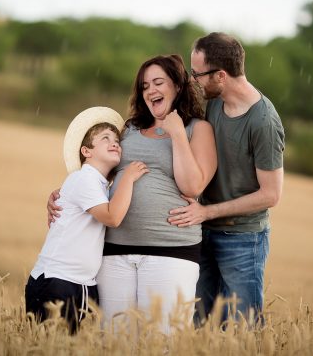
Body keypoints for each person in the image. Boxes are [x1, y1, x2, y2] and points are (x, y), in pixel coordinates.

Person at [49, 54, 217, 332]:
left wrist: (176, 133)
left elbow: (192, 186)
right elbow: (98, 175)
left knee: (163, 342)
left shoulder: (198, 129)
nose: (150, 90)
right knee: (116, 341)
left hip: (171, 250)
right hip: (115, 250)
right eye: (144, 85)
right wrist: (64, 192)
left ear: (177, 86)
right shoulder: (129, 130)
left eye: (158, 82)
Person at [167, 32, 285, 325]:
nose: (193, 80)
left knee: (244, 328)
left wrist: (208, 211)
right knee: (199, 324)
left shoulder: (263, 122)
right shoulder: (215, 101)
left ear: (221, 75)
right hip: (202, 231)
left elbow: (271, 195)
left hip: (243, 238)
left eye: (198, 74)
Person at [26, 106, 149, 333]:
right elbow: (112, 217)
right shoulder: (84, 179)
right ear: (86, 151)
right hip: (59, 281)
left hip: (77, 283)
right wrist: (129, 178)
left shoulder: (99, 185)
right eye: (105, 138)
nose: (115, 143)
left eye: (116, 139)